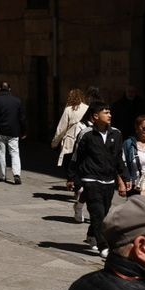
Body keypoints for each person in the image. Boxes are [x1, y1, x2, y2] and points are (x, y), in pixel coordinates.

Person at [69, 101, 129, 258]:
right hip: (91, 179)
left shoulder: (116, 134)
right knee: (97, 213)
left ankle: (92, 235)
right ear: (95, 116)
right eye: (106, 112)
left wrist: (125, 177)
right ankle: (104, 246)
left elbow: (119, 158)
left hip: (108, 181)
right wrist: (72, 177)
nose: (109, 115)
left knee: (104, 212)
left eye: (110, 112)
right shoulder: (86, 134)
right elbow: (76, 156)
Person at [52, 88, 90, 222]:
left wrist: (55, 142)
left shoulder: (68, 110)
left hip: (71, 140)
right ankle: (78, 188)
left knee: (70, 164)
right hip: (85, 139)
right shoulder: (87, 108)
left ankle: (76, 187)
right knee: (81, 163)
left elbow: (61, 128)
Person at [0, 81, 27, 184]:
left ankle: (2, 176)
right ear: (9, 89)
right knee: (15, 153)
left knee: (0, 154)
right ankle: (16, 174)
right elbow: (22, 118)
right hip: (13, 131)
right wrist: (23, 131)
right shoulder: (17, 101)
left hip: (0, 131)